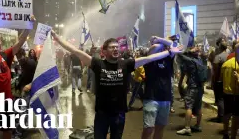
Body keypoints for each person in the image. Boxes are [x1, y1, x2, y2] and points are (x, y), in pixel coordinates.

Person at [51, 31, 182, 139]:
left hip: (119, 114)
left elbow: (149, 58)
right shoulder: (98, 64)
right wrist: (57, 38)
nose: (115, 49)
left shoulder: (126, 64)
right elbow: (75, 51)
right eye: (112, 47)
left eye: (116, 47)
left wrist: (170, 52)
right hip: (102, 114)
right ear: (104, 51)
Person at [141, 36, 183, 139]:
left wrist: (159, 39)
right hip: (151, 98)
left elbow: (174, 46)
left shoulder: (168, 59)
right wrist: (160, 42)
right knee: (149, 128)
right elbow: (154, 47)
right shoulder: (150, 59)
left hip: (165, 99)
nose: (164, 48)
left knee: (160, 128)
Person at [176, 46, 207, 136]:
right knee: (198, 106)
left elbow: (179, 55)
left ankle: (187, 128)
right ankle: (197, 125)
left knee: (188, 106)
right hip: (200, 87)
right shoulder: (201, 60)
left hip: (192, 87)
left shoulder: (191, 61)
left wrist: (189, 51)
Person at [212, 37, 229, 122]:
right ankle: (226, 115)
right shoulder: (230, 56)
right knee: (226, 98)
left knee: (220, 99)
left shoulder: (218, 57)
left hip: (219, 80)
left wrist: (214, 80)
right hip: (228, 80)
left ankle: (221, 116)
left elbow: (215, 70)